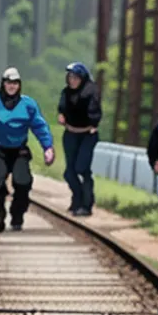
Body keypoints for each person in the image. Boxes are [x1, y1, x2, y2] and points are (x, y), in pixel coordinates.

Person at [0, 67, 55, 233]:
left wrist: (47, 147)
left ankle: (17, 215)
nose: (12, 86)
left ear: (19, 85)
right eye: (9, 82)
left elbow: (39, 126)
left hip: (19, 150)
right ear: (3, 84)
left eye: (15, 83)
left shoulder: (28, 104)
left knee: (23, 183)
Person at [58, 62, 103, 216]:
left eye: (76, 78)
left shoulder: (91, 91)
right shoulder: (66, 92)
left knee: (82, 168)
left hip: (87, 134)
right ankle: (77, 198)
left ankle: (87, 203)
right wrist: (62, 116)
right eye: (70, 77)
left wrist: (94, 123)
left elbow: (95, 110)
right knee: (69, 172)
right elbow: (62, 108)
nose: (73, 81)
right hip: (70, 133)